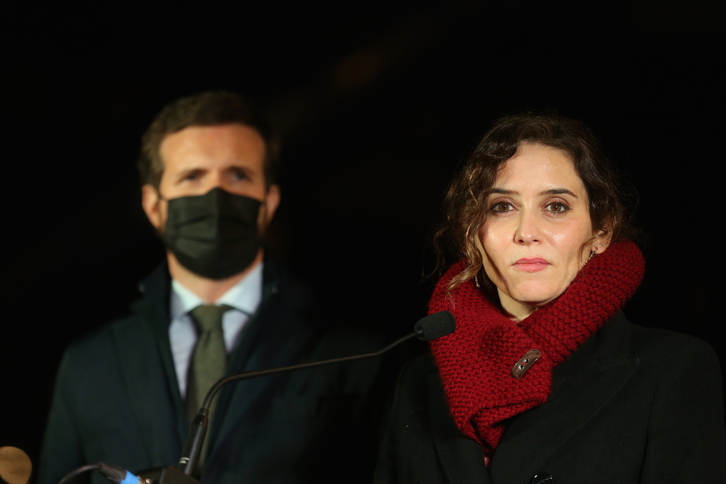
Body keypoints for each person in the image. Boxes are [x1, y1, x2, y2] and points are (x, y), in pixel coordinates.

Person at [39, 91, 386, 484]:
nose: (216, 196)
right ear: (154, 206)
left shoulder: (351, 353)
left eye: (238, 175)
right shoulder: (91, 361)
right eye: (192, 176)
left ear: (268, 202)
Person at [373, 113, 726, 483]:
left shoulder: (672, 369)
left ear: (601, 231)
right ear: (472, 233)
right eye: (502, 207)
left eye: (555, 206)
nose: (527, 232)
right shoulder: (418, 379)